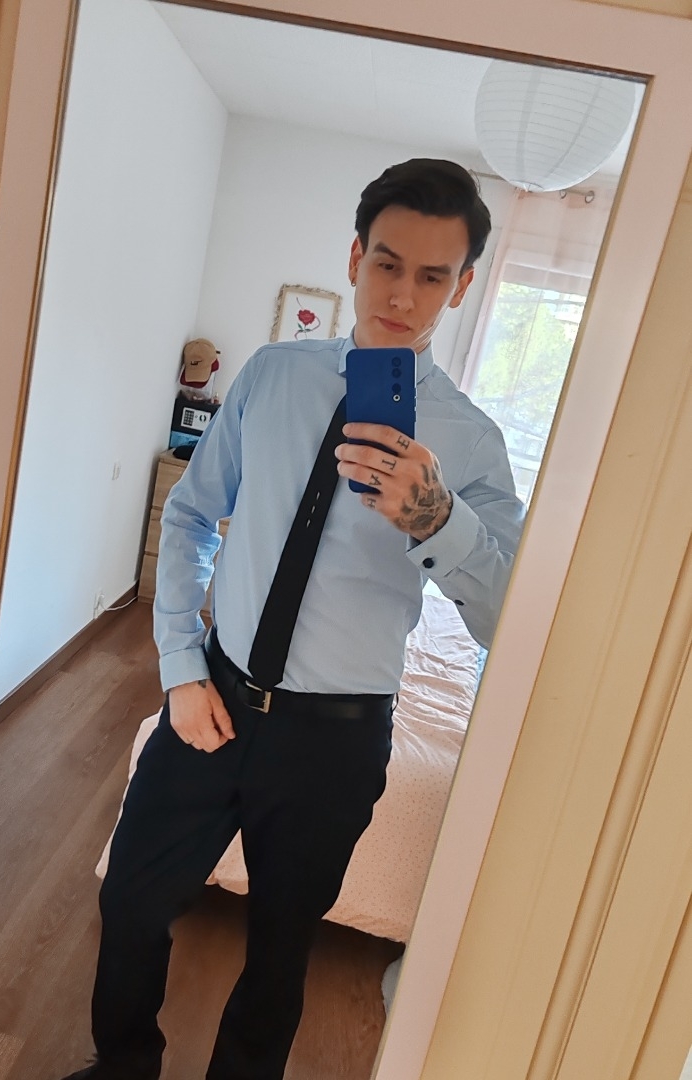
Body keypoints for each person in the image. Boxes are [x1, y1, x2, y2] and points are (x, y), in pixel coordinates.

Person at [60, 158, 526, 1080]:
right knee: (132, 903)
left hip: (335, 742)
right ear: (355, 258)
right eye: (386, 263)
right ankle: (123, 1066)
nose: (403, 295)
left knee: (279, 955)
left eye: (432, 275)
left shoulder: (472, 443)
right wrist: (180, 668)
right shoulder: (272, 375)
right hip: (213, 696)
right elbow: (191, 516)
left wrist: (440, 520)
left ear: (463, 286)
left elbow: (507, 618)